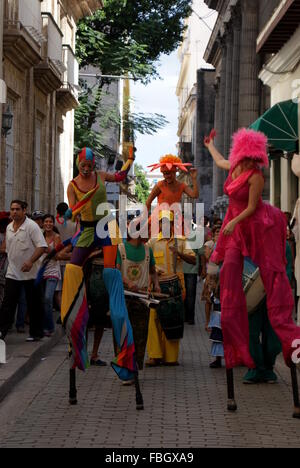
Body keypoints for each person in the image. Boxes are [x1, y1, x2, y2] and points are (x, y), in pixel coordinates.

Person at [204, 128, 300, 371]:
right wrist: (210, 145)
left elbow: (252, 207)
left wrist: (234, 222)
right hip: (235, 228)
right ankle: (238, 348)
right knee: (229, 275)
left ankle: (291, 340)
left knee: (273, 276)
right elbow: (219, 161)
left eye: (251, 158)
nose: (247, 161)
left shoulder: (256, 176)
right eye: (245, 157)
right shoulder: (235, 166)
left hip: (258, 226)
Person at [61, 146, 135, 372]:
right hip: (86, 231)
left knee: (110, 273)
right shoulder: (72, 185)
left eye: (89, 165)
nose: (86, 168)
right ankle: (73, 323)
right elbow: (73, 211)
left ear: (94, 166)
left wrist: (130, 158)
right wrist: (68, 213)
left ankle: (120, 323)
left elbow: (120, 176)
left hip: (106, 228)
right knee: (73, 270)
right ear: (78, 164)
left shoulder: (101, 177)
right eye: (83, 165)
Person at [146, 210, 196, 366]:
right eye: (162, 222)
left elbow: (193, 260)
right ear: (159, 224)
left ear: (173, 224)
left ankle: (170, 358)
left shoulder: (181, 241)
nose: (165, 224)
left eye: (168, 222)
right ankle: (155, 355)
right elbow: (145, 260)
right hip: (157, 286)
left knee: (173, 319)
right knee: (153, 319)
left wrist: (179, 253)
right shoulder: (152, 242)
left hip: (175, 286)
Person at [116, 221, 160, 374]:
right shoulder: (120, 249)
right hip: (124, 298)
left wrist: (156, 284)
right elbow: (115, 273)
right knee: (123, 333)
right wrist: (127, 282)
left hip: (142, 298)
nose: (148, 232)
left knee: (140, 335)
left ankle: (134, 367)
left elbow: (153, 271)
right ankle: (123, 367)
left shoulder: (148, 250)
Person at [0, 200, 47, 341]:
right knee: (8, 303)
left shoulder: (32, 226)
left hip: (31, 273)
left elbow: (42, 246)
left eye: (17, 209)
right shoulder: (9, 227)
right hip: (13, 272)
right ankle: (2, 331)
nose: (14, 212)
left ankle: (36, 333)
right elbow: (6, 248)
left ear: (24, 210)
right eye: (12, 209)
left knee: (33, 304)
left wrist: (30, 261)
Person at [42, 214, 62, 337]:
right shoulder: (39, 236)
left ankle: (49, 327)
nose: (48, 224)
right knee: (42, 301)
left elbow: (57, 256)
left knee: (48, 298)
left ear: (53, 224)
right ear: (43, 224)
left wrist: (48, 250)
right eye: (46, 221)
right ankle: (44, 325)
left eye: (50, 222)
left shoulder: (56, 237)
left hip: (53, 271)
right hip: (40, 272)